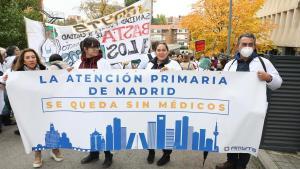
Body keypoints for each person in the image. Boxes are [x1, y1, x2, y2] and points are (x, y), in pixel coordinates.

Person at [216, 33, 282, 169]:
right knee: (232, 136)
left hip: (252, 111)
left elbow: (278, 83)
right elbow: (222, 85)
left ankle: (241, 165)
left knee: (248, 139)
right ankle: (231, 161)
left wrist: (268, 77)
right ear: (238, 46)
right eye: (244, 44)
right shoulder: (230, 64)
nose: (247, 47)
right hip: (232, 110)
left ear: (254, 46)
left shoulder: (264, 63)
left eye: (250, 44)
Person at [3, 48, 64, 168]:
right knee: (35, 130)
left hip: (46, 105)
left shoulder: (44, 69)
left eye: (33, 57)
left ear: (36, 58)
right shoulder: (16, 73)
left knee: (52, 127)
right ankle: (38, 155)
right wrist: (5, 80)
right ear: (23, 61)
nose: (31, 59)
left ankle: (55, 150)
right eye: (28, 57)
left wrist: (66, 73)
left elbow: (58, 80)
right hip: (29, 108)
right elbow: (4, 81)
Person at [73, 37, 113, 168]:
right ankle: (93, 153)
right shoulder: (78, 63)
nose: (97, 49)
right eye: (93, 47)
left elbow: (111, 81)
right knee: (90, 129)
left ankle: (108, 155)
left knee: (104, 129)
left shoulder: (103, 63)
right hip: (85, 103)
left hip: (101, 102)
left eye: (98, 46)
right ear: (85, 49)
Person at [145, 42, 182, 166]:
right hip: (151, 103)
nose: (161, 52)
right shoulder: (149, 64)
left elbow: (182, 80)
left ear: (167, 51)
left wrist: (170, 71)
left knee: (166, 129)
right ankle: (151, 152)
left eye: (163, 50)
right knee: (150, 128)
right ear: (155, 52)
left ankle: (166, 154)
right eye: (158, 50)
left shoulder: (174, 64)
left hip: (167, 103)